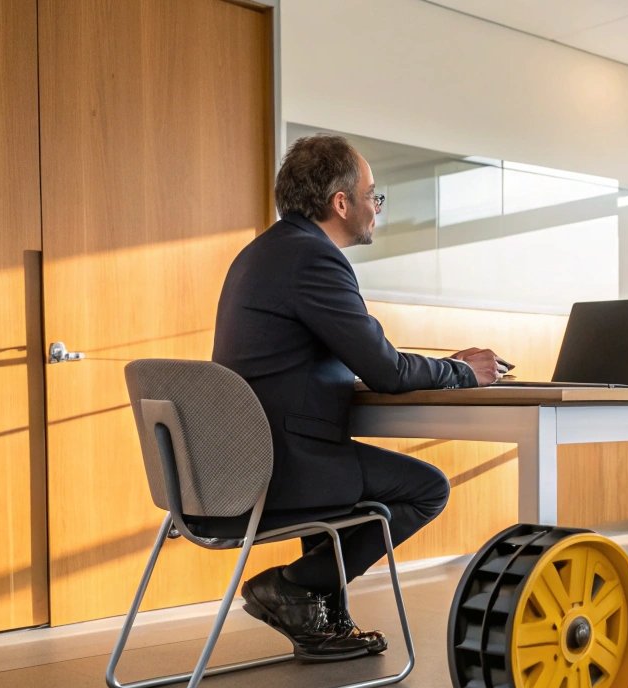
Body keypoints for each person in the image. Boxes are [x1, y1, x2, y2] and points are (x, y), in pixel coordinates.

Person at [212, 134, 503, 660]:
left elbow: (370, 354)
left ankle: (319, 618)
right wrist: (461, 372)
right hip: (280, 464)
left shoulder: (269, 251)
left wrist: (437, 366)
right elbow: (386, 370)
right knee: (426, 488)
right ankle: (296, 585)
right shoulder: (313, 260)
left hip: (242, 459)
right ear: (340, 202)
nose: (377, 207)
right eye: (374, 195)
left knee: (349, 472)